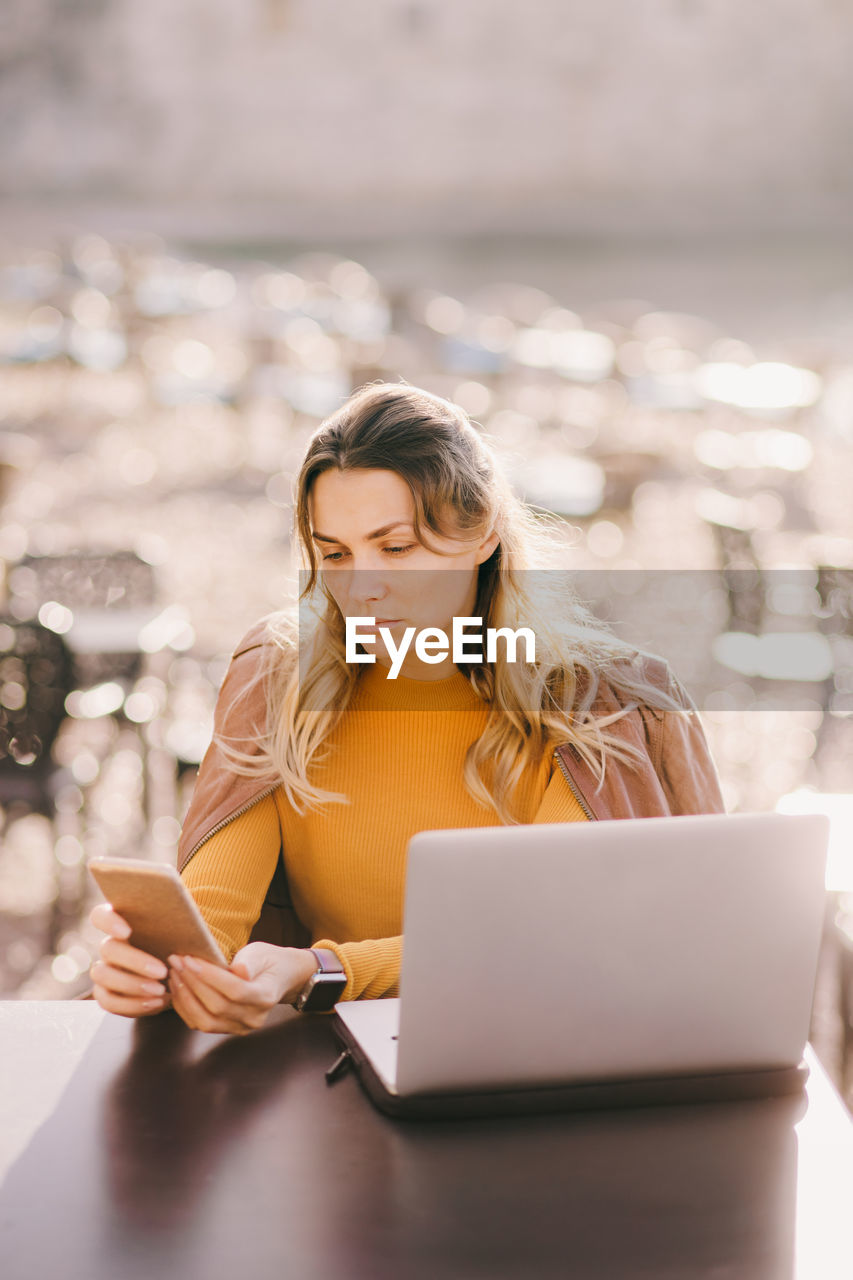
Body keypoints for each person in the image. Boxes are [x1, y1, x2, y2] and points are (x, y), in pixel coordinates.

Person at [89, 381, 724, 1034]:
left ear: (483, 536)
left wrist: (322, 970)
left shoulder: (596, 703)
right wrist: (166, 970)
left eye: (395, 548)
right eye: (333, 553)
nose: (360, 587)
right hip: (332, 1080)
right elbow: (213, 913)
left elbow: (543, 933)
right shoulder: (278, 674)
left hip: (543, 1065)